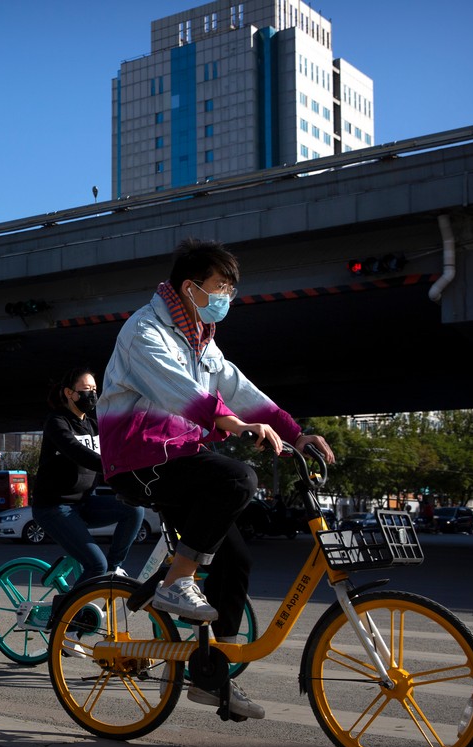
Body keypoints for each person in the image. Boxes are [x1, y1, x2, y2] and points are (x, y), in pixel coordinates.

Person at [97, 238, 335, 720]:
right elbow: (180, 392)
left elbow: (237, 386)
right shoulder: (145, 331)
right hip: (139, 462)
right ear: (190, 288)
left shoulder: (202, 339)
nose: (227, 297)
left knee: (236, 560)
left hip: (177, 460)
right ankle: (176, 581)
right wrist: (237, 425)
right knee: (237, 478)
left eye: (230, 288)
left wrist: (295, 433)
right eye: (220, 287)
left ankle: (212, 677)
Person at [31, 367, 144, 583]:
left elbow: (118, 448)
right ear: (69, 393)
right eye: (85, 389)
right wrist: (113, 465)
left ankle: (113, 568)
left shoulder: (93, 425)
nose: (91, 395)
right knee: (95, 565)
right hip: (54, 508)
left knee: (134, 509)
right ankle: (66, 614)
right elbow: (77, 452)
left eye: (94, 389)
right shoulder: (57, 422)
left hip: (84, 504)